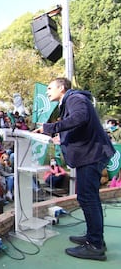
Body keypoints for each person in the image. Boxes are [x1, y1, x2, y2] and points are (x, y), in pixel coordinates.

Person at [34, 77, 115, 261]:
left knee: (88, 198)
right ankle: (94, 239)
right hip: (90, 155)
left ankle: (95, 246)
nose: (47, 92)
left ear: (62, 88)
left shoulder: (74, 98)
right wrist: (60, 137)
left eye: (49, 88)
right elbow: (78, 127)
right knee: (87, 198)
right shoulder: (70, 100)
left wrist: (51, 127)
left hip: (92, 156)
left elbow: (80, 118)